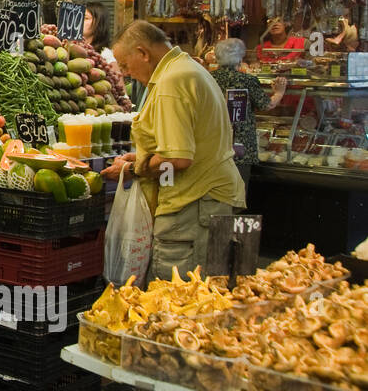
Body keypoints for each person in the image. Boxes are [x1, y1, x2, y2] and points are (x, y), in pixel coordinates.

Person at [103, 21, 245, 278]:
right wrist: (144, 156)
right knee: (208, 294)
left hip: (193, 208)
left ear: (143, 53)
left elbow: (176, 160)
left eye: (124, 65)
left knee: (179, 299)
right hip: (209, 201)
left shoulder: (171, 82)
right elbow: (187, 144)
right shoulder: (187, 68)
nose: (125, 73)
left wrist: (133, 168)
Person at [211, 38, 287, 189]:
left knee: (217, 192)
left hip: (214, 146)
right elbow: (267, 104)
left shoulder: (208, 78)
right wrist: (279, 92)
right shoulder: (247, 80)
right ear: (239, 58)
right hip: (240, 147)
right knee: (238, 192)